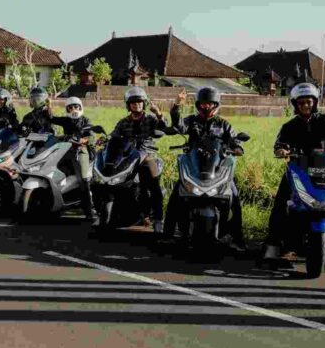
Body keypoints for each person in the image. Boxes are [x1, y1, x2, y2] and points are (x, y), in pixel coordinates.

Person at [263, 83, 325, 267]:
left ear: (315, 102)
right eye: (301, 103)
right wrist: (281, 150)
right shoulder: (290, 126)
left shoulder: (324, 120)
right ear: (295, 104)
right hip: (299, 171)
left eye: (308, 102)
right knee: (281, 206)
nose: (305, 106)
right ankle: (273, 248)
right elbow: (280, 144)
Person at [165, 87, 246, 250]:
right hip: (194, 167)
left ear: (216, 104)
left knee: (234, 196)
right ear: (198, 105)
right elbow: (178, 126)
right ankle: (168, 235)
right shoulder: (192, 121)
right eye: (203, 104)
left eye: (209, 103)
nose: (206, 107)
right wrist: (177, 105)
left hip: (217, 169)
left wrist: (237, 148)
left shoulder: (224, 124)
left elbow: (236, 142)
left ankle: (237, 238)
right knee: (176, 194)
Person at [110, 86, 174, 234]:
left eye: (139, 102)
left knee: (154, 186)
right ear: (128, 105)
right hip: (128, 158)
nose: (137, 105)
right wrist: (106, 140)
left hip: (148, 156)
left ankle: (158, 219)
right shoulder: (124, 122)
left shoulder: (150, 119)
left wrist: (158, 113)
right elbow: (114, 135)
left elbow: (164, 128)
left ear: (144, 103)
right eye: (133, 103)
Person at [48, 96, 97, 221]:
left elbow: (91, 136)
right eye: (70, 107)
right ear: (67, 109)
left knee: (83, 179)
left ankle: (88, 210)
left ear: (80, 107)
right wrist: (49, 105)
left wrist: (83, 140)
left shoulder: (85, 120)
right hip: (65, 150)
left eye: (76, 106)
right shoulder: (66, 120)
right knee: (53, 171)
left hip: (81, 150)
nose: (74, 109)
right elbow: (51, 118)